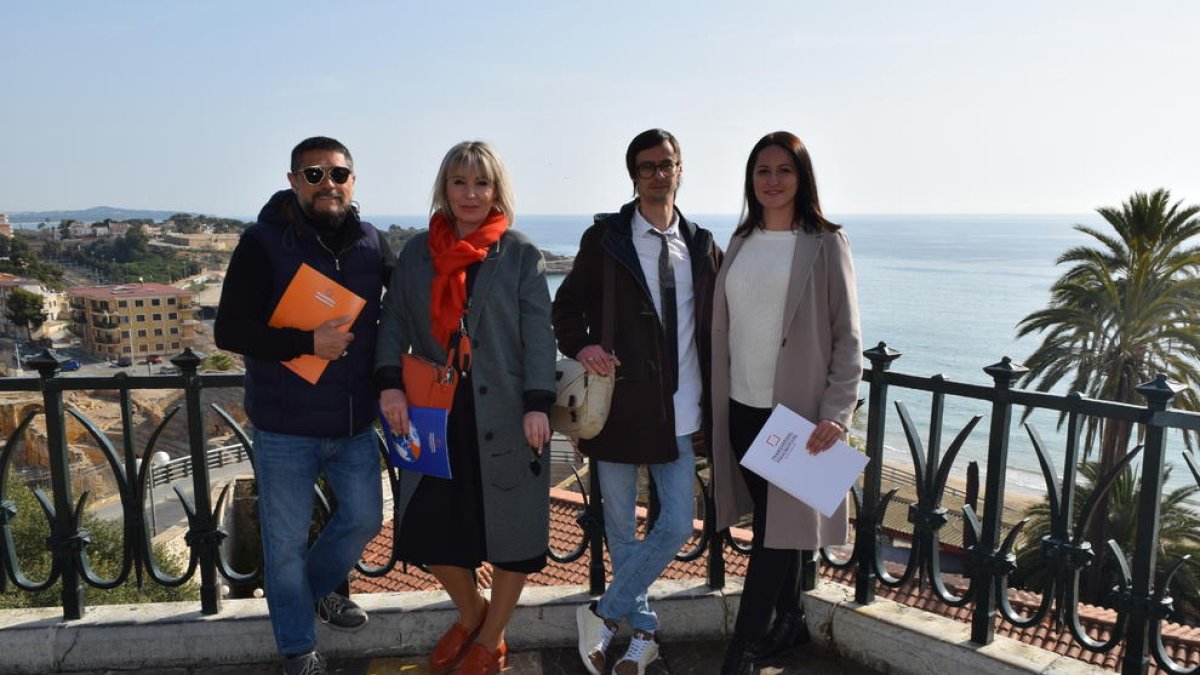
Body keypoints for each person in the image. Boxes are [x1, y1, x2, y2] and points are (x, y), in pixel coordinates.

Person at [376, 141, 556, 675]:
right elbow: (394, 325)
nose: (471, 193)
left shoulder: (519, 253)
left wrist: (538, 403)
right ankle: (473, 612)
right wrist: (388, 384)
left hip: (506, 415)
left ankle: (490, 640)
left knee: (513, 535)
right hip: (436, 416)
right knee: (428, 529)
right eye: (460, 182)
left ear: (496, 189)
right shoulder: (416, 254)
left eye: (481, 183)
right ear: (445, 189)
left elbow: (538, 337)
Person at [214, 136, 392, 675]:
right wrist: (306, 343)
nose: (327, 184)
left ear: (353, 181)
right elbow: (229, 330)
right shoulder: (262, 243)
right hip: (285, 426)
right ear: (293, 181)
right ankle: (297, 649)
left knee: (365, 518)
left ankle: (312, 592)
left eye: (338, 174)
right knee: (285, 544)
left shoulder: (373, 244)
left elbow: (408, 305)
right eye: (313, 175)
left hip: (354, 422)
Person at [552, 129, 722, 675]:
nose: (657, 173)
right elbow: (566, 310)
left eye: (666, 164)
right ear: (634, 174)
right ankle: (643, 634)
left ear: (680, 170)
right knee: (622, 529)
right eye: (647, 166)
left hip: (683, 409)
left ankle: (603, 613)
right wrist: (585, 346)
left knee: (674, 524)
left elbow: (723, 323)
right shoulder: (605, 239)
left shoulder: (700, 244)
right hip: (620, 408)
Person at [710, 131, 863, 674]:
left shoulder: (825, 243)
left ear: (802, 178)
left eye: (783, 171)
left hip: (796, 416)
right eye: (761, 171)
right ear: (750, 181)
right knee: (782, 529)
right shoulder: (742, 239)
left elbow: (848, 338)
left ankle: (741, 649)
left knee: (775, 537)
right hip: (740, 408)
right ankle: (792, 622)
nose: (771, 181)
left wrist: (835, 414)